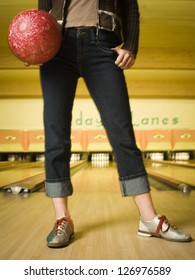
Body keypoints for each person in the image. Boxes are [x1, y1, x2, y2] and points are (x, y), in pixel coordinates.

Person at [38, 0, 192, 248]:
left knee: (122, 133)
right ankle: (62, 218)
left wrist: (130, 46)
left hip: (102, 44)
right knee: (56, 134)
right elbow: (42, 10)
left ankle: (149, 219)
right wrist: (36, 47)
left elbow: (130, 8)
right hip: (57, 50)